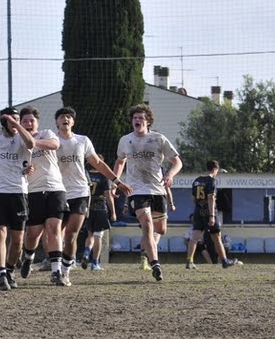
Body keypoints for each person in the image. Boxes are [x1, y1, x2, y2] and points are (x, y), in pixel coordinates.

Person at [54, 107, 132, 282]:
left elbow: (97, 162)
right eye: (61, 117)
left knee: (71, 233)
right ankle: (55, 268)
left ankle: (65, 271)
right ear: (56, 122)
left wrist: (117, 182)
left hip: (80, 191)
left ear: (73, 122)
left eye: (69, 117)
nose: (65, 119)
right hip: (57, 191)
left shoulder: (82, 141)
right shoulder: (51, 140)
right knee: (56, 232)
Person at [113, 104, 183, 282]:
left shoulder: (158, 139)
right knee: (147, 224)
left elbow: (177, 162)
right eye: (135, 118)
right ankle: (155, 264)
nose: (137, 120)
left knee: (161, 229)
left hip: (157, 189)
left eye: (141, 118)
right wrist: (115, 182)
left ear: (148, 121)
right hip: (136, 190)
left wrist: (170, 174)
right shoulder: (125, 140)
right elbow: (120, 162)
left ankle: (149, 246)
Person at [16, 107, 69, 285]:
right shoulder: (17, 142)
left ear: (37, 123)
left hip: (55, 188)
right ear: (20, 124)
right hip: (33, 191)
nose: (29, 124)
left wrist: (33, 142)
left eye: (32, 121)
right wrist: (24, 169)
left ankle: (56, 272)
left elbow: (55, 145)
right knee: (33, 233)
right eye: (25, 121)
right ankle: (28, 258)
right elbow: (15, 165)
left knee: (53, 229)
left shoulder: (46, 134)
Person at [0, 106, 35, 291]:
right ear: (3, 122)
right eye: (11, 119)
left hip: (18, 193)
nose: (15, 122)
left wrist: (17, 124)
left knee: (17, 240)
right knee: (0, 234)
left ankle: (10, 270)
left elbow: (31, 144)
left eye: (18, 119)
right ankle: (0, 273)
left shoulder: (22, 137)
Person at [186, 160, 241, 269]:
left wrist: (199, 206)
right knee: (217, 238)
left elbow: (193, 198)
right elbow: (211, 198)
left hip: (197, 211)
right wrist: (211, 215)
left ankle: (189, 261)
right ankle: (225, 261)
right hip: (208, 212)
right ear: (215, 169)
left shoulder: (196, 181)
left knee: (194, 237)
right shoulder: (211, 181)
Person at [81, 166, 117, 271]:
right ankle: (95, 263)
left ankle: (87, 252)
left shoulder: (85, 173)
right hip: (100, 207)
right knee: (98, 235)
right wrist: (113, 212)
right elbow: (108, 195)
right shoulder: (103, 176)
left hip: (88, 207)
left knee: (90, 234)